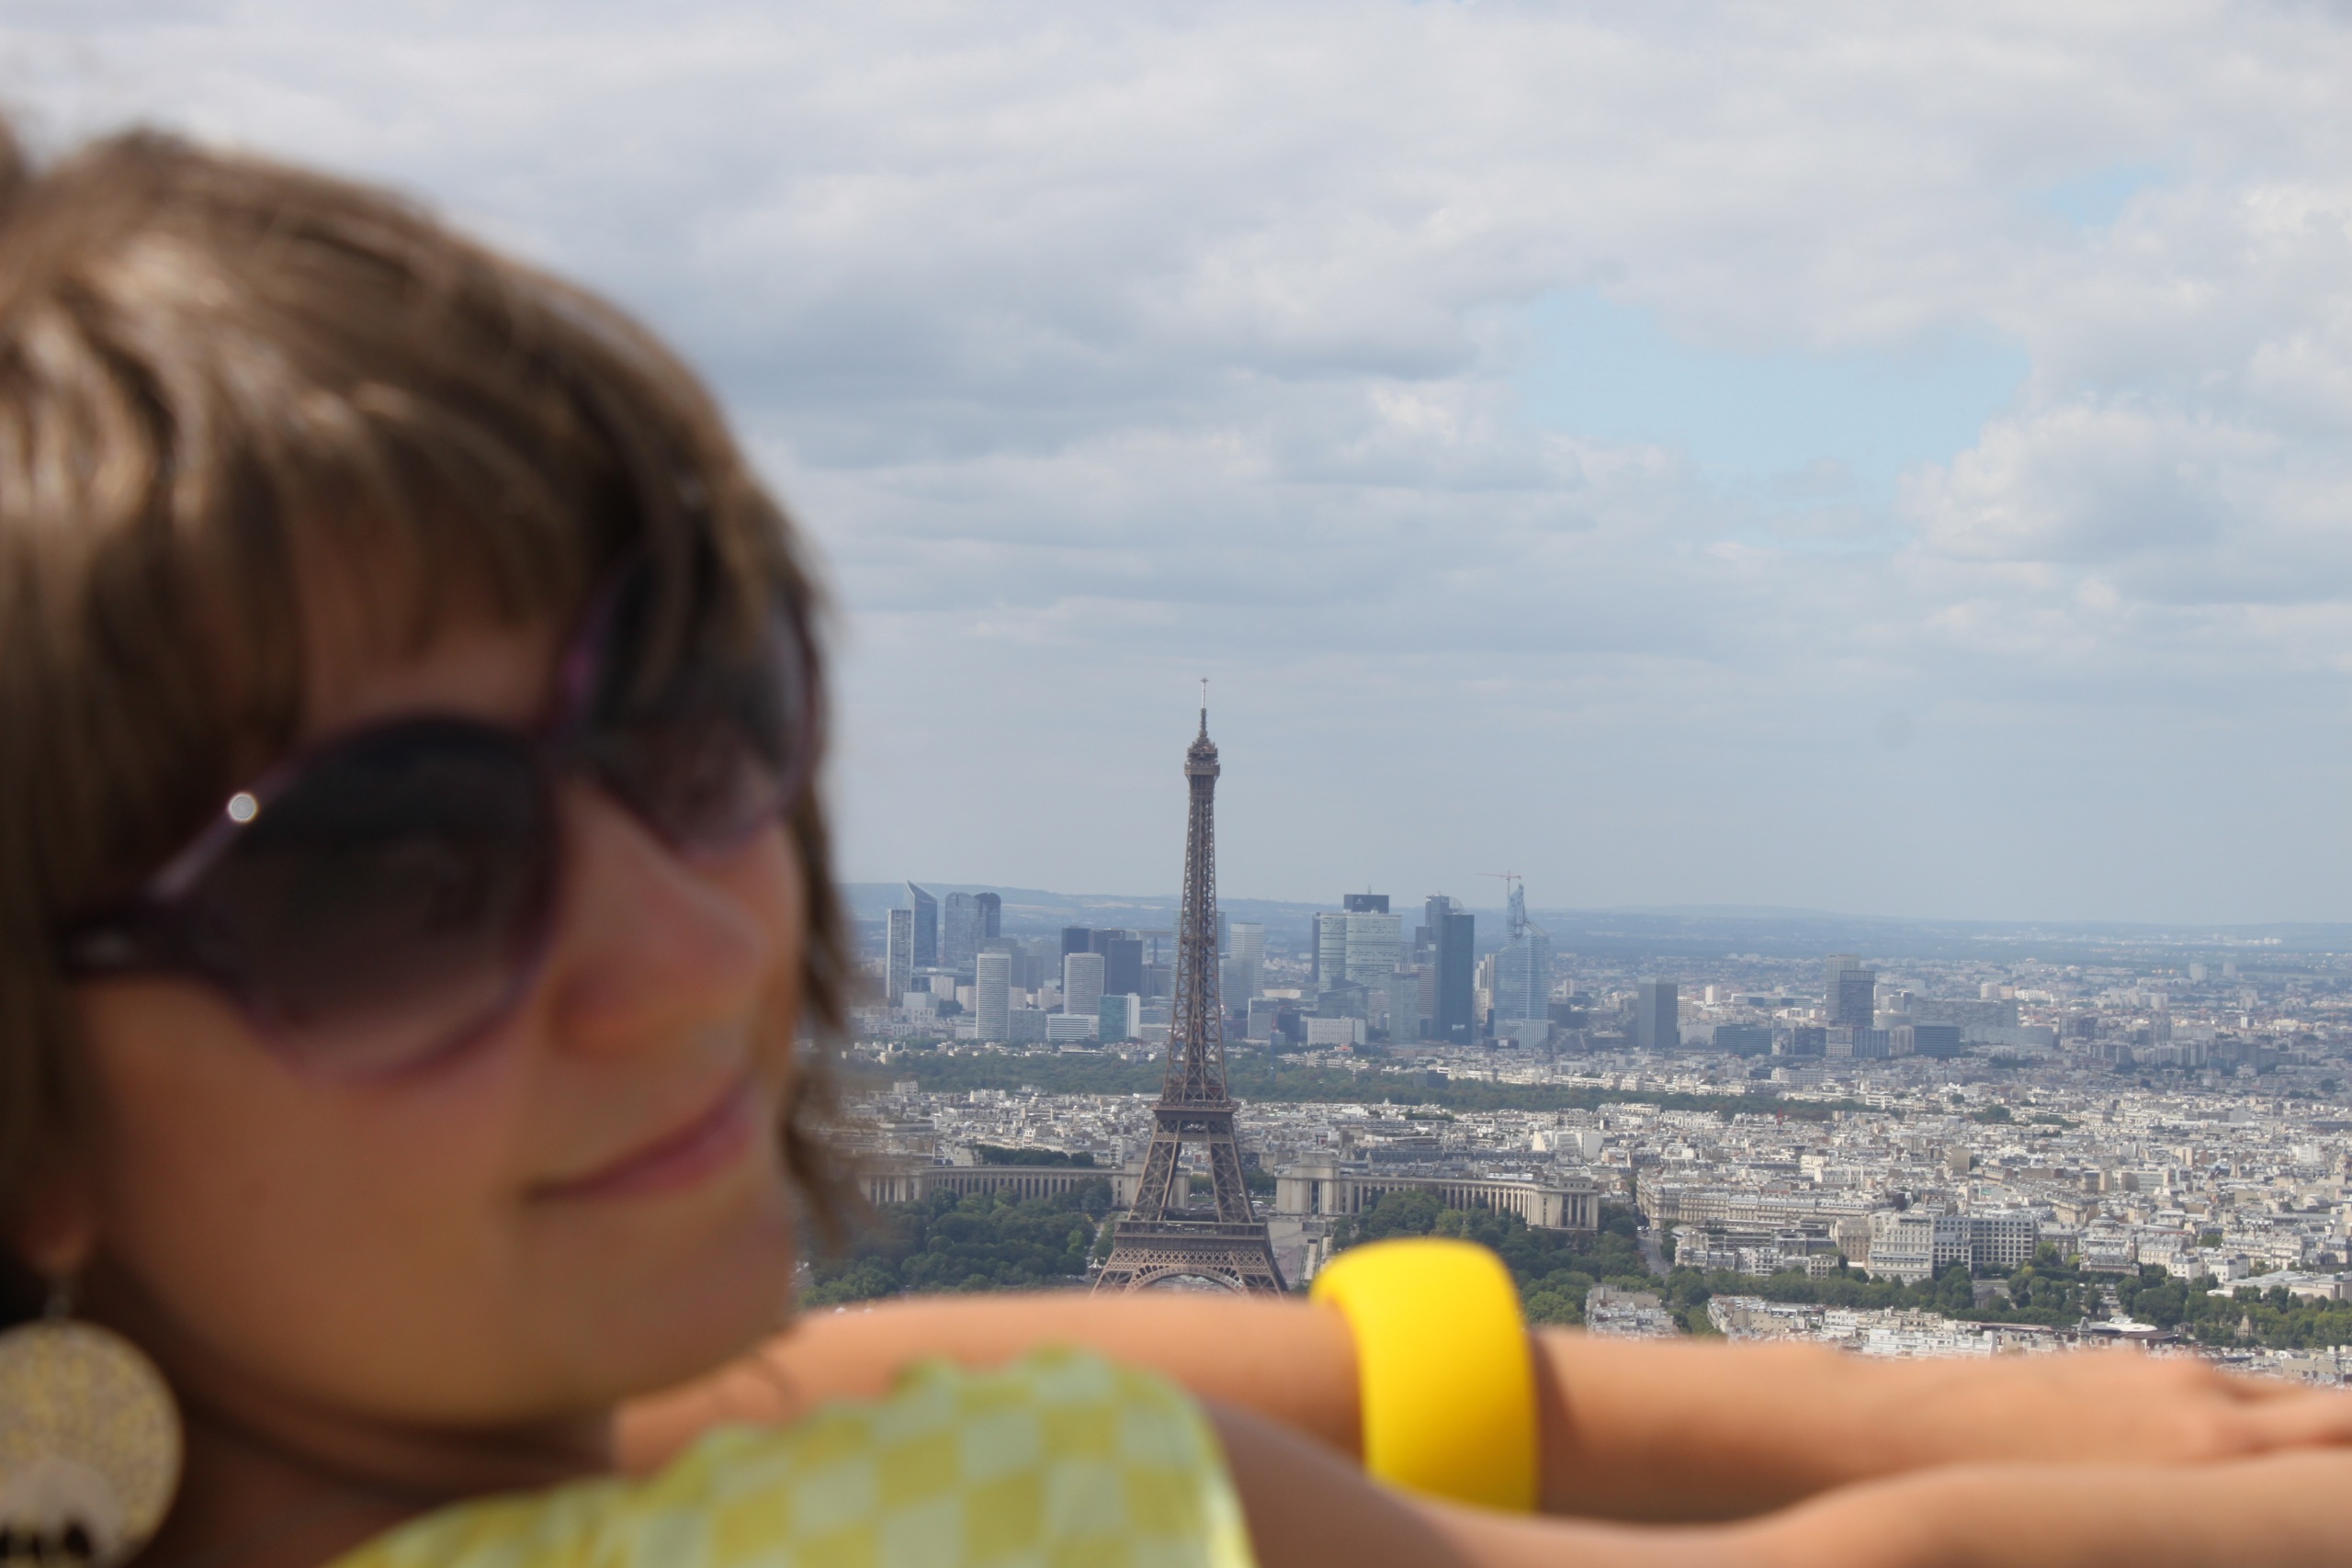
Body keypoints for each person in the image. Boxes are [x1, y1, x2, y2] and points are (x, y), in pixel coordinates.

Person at [2, 120, 2350, 1568]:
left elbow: (795, 1398)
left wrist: (1919, 1386)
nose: (692, 938)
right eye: (400, 879)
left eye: (700, 723)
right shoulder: (920, 1537)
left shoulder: (169, 1469)